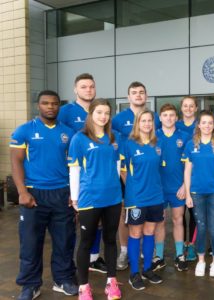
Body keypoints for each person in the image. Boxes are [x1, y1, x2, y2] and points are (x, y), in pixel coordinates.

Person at [10, 90, 78, 299]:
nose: (50, 107)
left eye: (54, 103)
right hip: (34, 194)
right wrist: (22, 192)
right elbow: (16, 162)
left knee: (65, 241)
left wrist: (73, 193)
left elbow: (75, 167)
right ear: (38, 106)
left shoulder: (69, 133)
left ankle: (63, 279)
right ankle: (30, 285)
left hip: (61, 194)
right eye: (46, 103)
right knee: (30, 243)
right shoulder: (24, 130)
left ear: (59, 106)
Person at [68, 98, 122, 299]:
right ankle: (84, 286)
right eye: (99, 112)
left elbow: (116, 168)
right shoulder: (79, 138)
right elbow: (74, 169)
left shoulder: (112, 137)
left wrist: (119, 192)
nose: (103, 116)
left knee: (110, 240)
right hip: (89, 198)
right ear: (91, 114)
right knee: (86, 242)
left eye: (107, 113)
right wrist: (75, 198)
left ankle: (112, 282)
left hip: (113, 198)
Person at [57, 73, 107, 274]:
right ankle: (70, 264)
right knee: (73, 222)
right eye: (84, 86)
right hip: (73, 176)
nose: (88, 90)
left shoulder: (99, 111)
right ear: (75, 89)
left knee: (98, 220)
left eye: (91, 86)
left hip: (96, 179)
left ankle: (94, 258)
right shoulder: (66, 112)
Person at [112, 82, 160, 271]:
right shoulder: (118, 120)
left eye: (141, 92)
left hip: (152, 187)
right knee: (127, 220)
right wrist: (132, 184)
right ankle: (125, 252)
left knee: (149, 229)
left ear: (146, 95)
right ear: (128, 96)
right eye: (134, 92)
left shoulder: (155, 126)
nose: (138, 95)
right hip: (132, 182)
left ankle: (146, 262)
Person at [120, 110, 165, 290]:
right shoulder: (128, 144)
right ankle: (134, 274)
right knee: (135, 234)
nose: (147, 124)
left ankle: (147, 269)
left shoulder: (157, 143)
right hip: (136, 198)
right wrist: (134, 188)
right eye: (143, 121)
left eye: (149, 121)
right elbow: (123, 172)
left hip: (155, 196)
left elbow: (158, 171)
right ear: (137, 123)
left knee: (149, 232)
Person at [182, 110, 214, 277]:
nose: (207, 126)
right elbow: (187, 171)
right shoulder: (190, 144)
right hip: (196, 192)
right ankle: (201, 260)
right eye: (204, 122)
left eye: (210, 123)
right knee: (201, 227)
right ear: (199, 125)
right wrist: (187, 194)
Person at [153, 103, 189, 272]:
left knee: (178, 220)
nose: (168, 118)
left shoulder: (185, 136)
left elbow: (191, 164)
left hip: (178, 188)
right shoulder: (153, 136)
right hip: (158, 189)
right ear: (160, 118)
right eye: (165, 115)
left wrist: (185, 186)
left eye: (171, 115)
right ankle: (159, 256)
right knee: (159, 222)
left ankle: (179, 254)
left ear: (176, 118)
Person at [176, 96, 199, 261]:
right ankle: (183, 243)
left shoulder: (201, 125)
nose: (189, 108)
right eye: (186, 106)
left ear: (196, 108)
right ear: (181, 108)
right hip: (177, 177)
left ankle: (192, 244)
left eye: (192, 106)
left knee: (194, 214)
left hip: (195, 177)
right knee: (180, 214)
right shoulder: (174, 125)